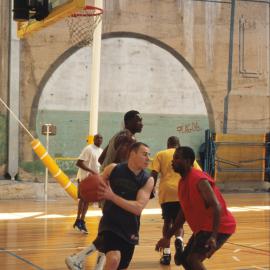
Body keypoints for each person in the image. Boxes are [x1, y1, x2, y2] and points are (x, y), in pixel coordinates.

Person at [65, 142, 154, 270]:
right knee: (113, 258)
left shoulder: (147, 180)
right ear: (132, 154)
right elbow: (98, 186)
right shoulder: (113, 169)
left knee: (119, 265)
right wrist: (89, 188)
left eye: (149, 155)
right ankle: (77, 259)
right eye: (144, 154)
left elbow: (138, 208)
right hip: (110, 222)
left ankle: (81, 260)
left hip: (130, 227)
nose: (148, 158)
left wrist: (112, 196)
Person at [155, 146, 236, 270]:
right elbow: (183, 214)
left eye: (177, 158)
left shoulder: (199, 179)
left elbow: (216, 205)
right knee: (184, 260)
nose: (172, 161)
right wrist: (167, 237)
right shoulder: (182, 183)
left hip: (219, 227)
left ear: (188, 161)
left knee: (194, 259)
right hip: (203, 228)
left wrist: (214, 236)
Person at [151, 136, 202, 265]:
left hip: (166, 192)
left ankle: (166, 254)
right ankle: (179, 238)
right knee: (179, 221)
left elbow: (154, 173)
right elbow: (198, 172)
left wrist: (150, 189)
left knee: (167, 222)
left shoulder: (161, 154)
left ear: (168, 144)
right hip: (182, 191)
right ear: (179, 144)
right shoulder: (184, 156)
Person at [73, 134, 103, 234]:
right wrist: (91, 171)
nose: (99, 140)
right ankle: (78, 220)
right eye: (97, 138)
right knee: (83, 199)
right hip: (84, 178)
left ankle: (81, 220)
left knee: (87, 200)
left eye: (101, 138)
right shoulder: (88, 149)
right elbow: (79, 163)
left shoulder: (101, 151)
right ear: (94, 139)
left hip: (93, 180)